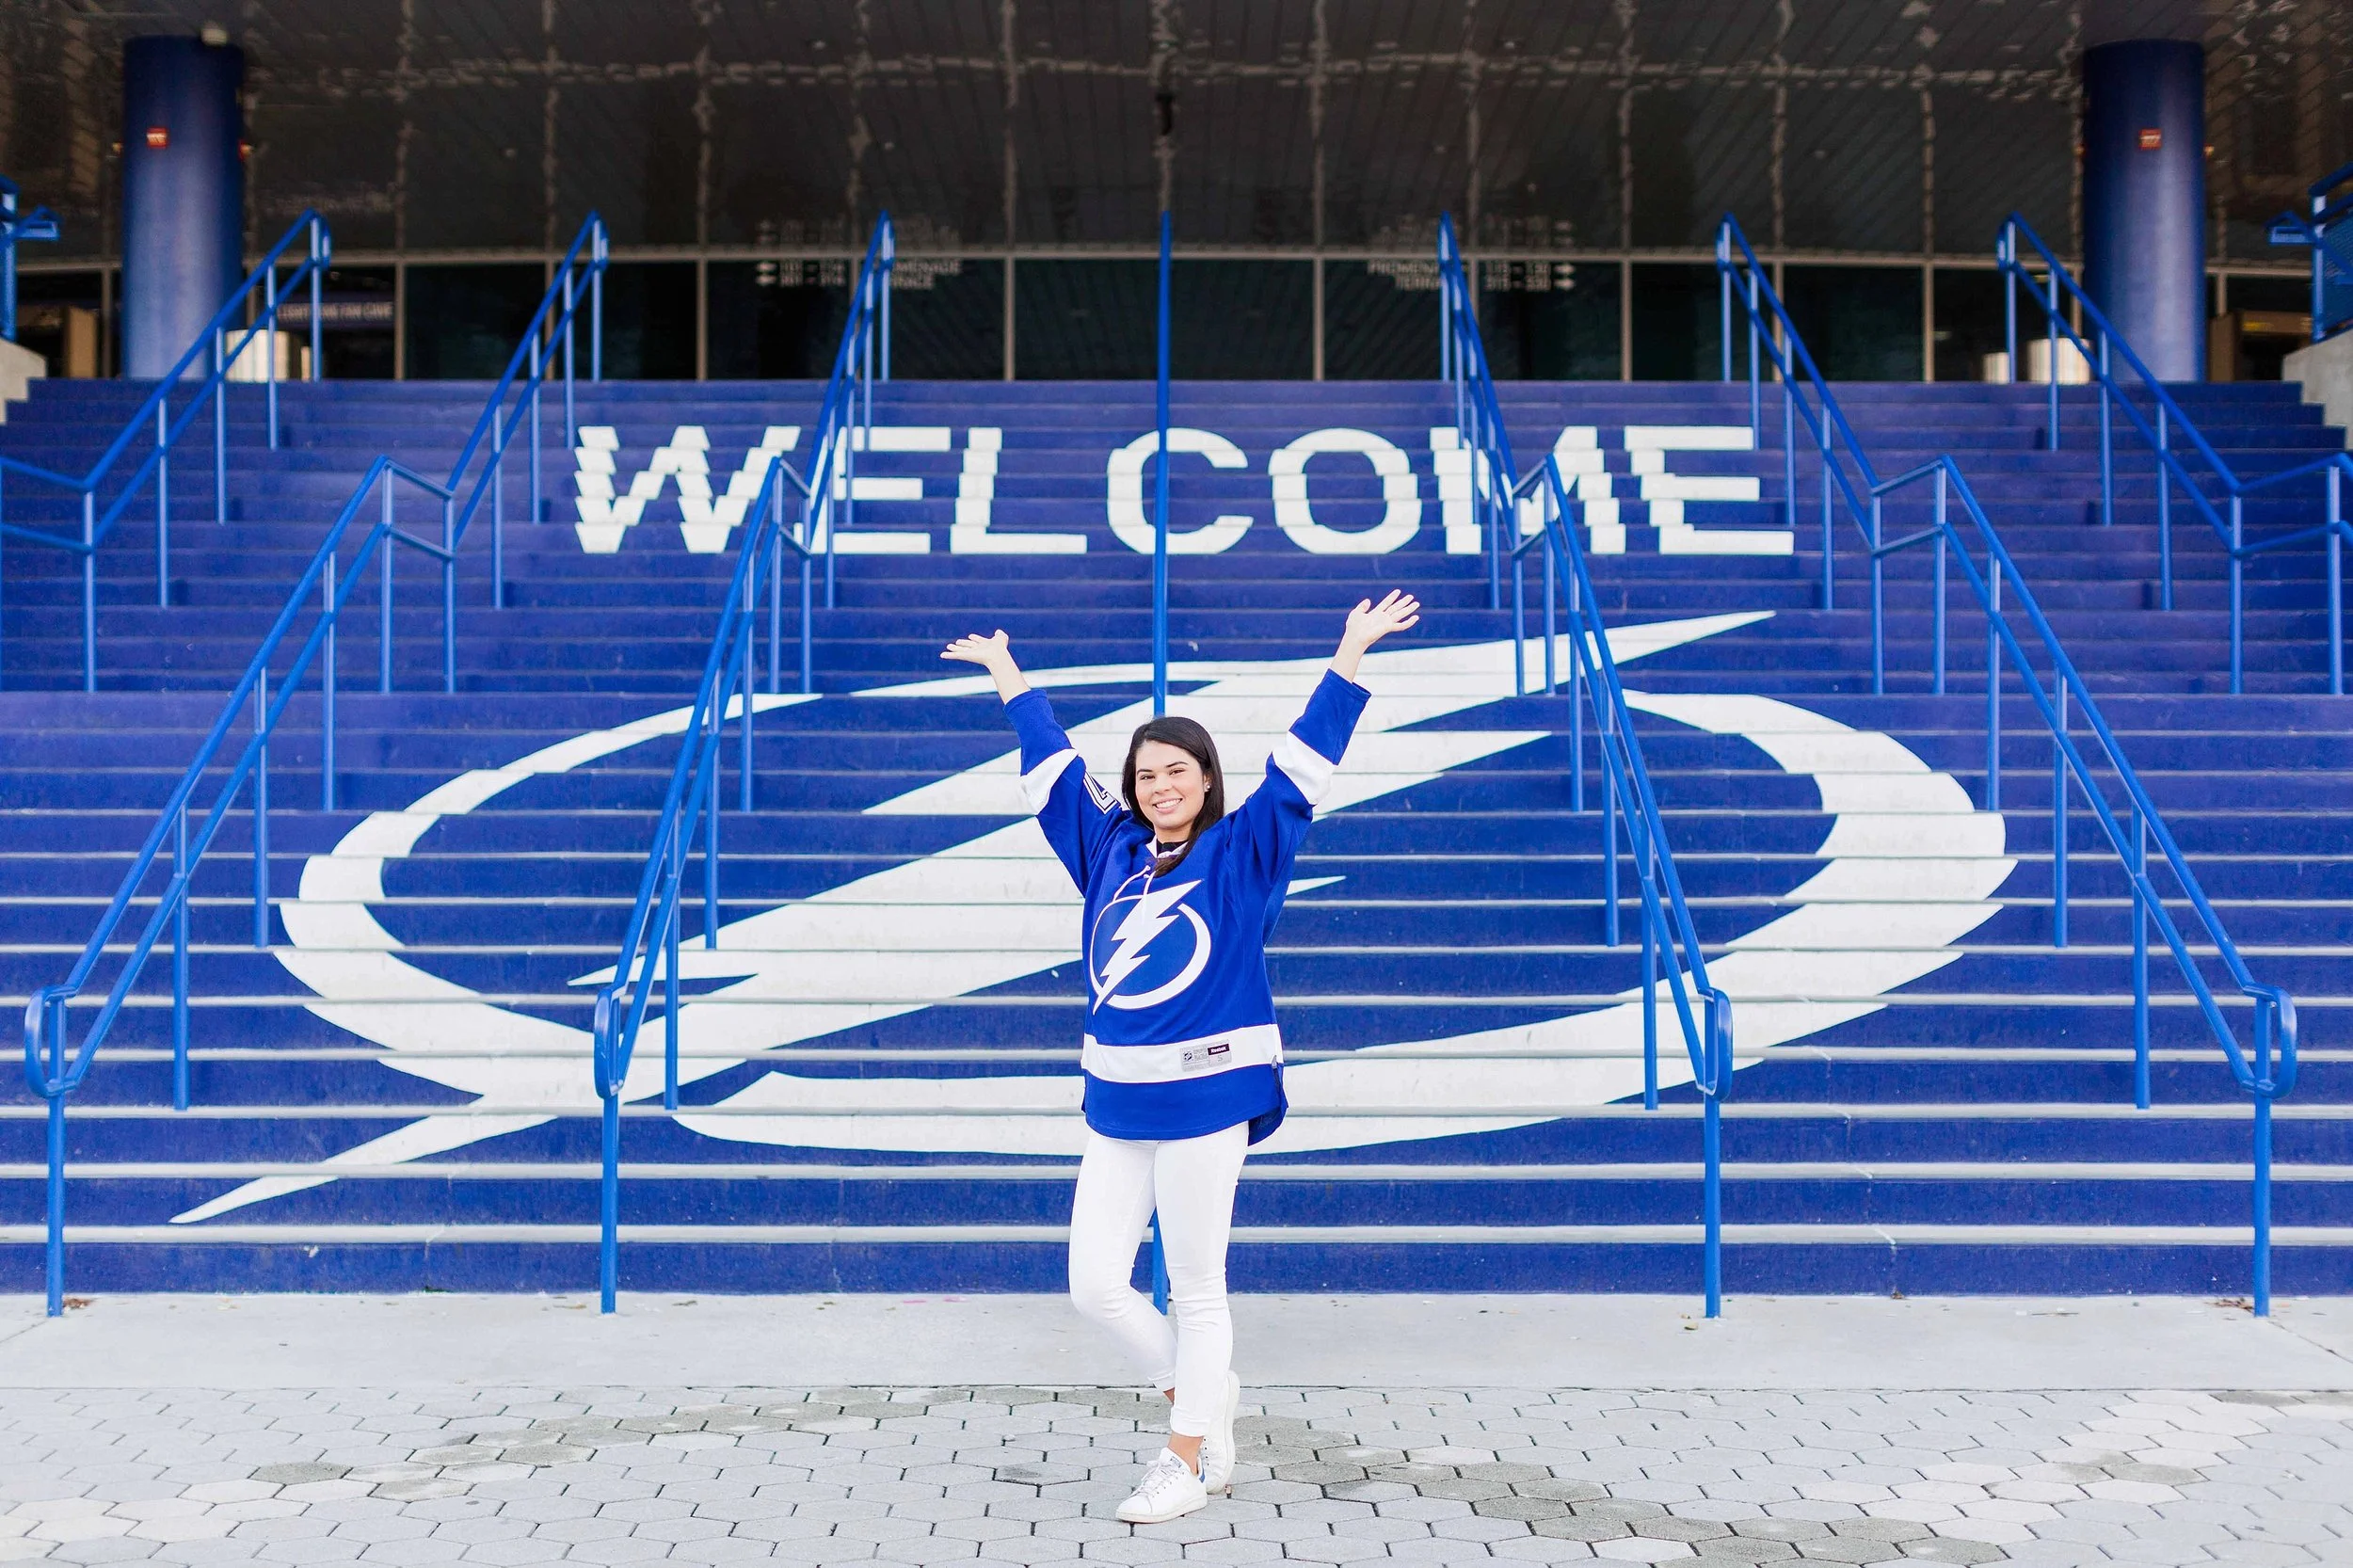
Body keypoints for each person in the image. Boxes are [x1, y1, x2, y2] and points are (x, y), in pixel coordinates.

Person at [941, 590, 1422, 1525]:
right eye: (1145, 774)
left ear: (1205, 779)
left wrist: (1348, 654)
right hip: (1119, 1101)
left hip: (1210, 1092)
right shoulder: (1109, 848)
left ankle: (1188, 1456)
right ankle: (1203, 1396)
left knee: (1199, 1286)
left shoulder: (1243, 850)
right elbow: (1052, 766)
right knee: (1093, 1285)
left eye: (1176, 772)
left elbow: (1302, 765)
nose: (1159, 785)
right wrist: (1011, 679)